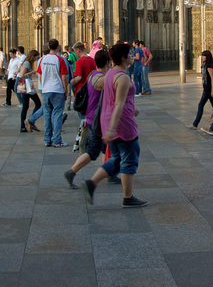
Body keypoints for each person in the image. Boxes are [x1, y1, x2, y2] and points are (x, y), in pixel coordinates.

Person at [81, 43, 147, 208]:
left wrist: (132, 109)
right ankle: (128, 197)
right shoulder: (123, 77)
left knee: (117, 159)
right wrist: (112, 128)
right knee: (130, 157)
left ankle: (92, 183)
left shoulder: (110, 73)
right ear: (124, 58)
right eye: (131, 54)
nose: (133, 56)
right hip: (121, 124)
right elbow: (118, 104)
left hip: (109, 120)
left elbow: (114, 98)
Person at [64, 49, 112, 188]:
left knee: (103, 148)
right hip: (96, 119)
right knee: (94, 151)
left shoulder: (93, 74)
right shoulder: (101, 79)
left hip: (93, 118)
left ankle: (109, 174)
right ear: (108, 62)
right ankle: (71, 171)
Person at [37, 39, 70, 147]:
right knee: (56, 116)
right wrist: (65, 91)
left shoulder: (42, 60)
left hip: (46, 91)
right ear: (57, 47)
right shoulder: (59, 60)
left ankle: (47, 139)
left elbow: (41, 76)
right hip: (57, 90)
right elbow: (64, 78)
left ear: (48, 47)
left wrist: (44, 86)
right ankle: (56, 140)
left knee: (47, 116)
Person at [189, 50, 213, 129]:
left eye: (204, 56)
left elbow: (212, 78)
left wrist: (212, 90)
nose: (202, 57)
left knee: (201, 105)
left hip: (208, 89)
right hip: (206, 88)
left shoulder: (209, 66)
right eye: (202, 55)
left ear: (207, 57)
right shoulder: (204, 65)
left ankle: (195, 124)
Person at [18, 49, 44, 133]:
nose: (36, 59)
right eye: (36, 57)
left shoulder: (27, 63)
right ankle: (30, 122)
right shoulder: (27, 63)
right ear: (32, 56)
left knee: (25, 107)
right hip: (27, 87)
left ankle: (24, 126)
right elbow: (22, 75)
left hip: (27, 88)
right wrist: (32, 72)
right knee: (37, 103)